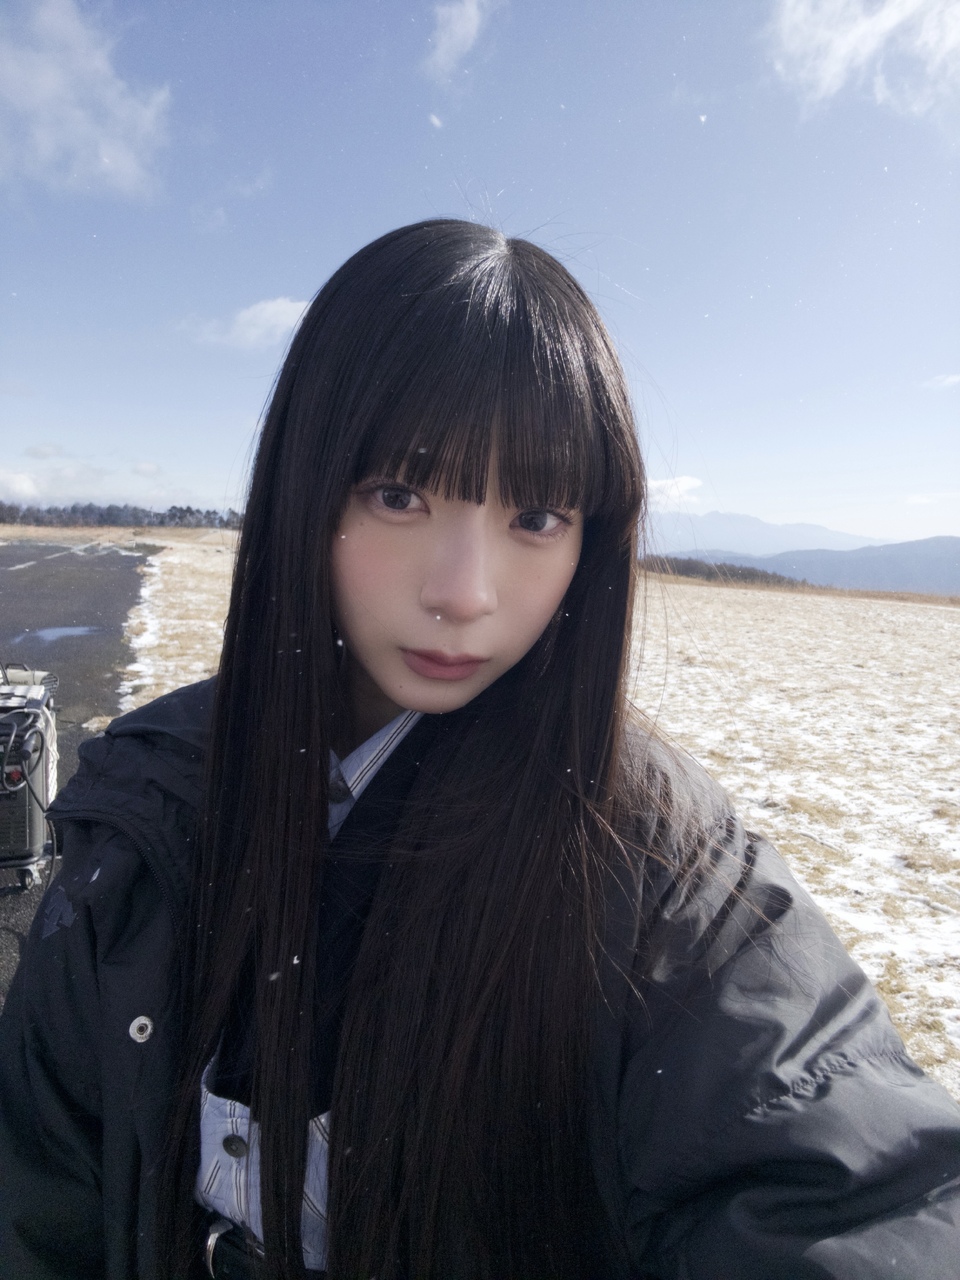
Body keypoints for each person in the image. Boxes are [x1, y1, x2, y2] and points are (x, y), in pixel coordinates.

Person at [1, 219, 959, 1280]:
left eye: (537, 516)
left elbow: (848, 1188)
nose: (465, 592)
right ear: (301, 490)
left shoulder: (656, 867)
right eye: (399, 495)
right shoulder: (146, 802)